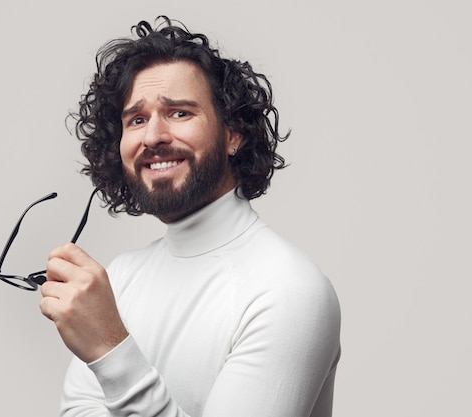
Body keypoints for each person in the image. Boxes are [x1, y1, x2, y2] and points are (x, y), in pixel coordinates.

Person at [39, 16, 341, 417]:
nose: (153, 137)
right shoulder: (122, 277)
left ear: (233, 133)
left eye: (179, 113)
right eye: (137, 119)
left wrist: (109, 349)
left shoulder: (289, 291)